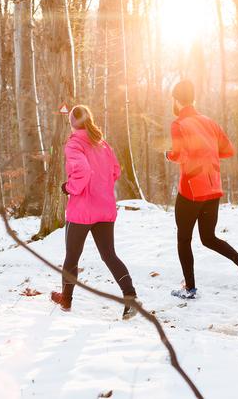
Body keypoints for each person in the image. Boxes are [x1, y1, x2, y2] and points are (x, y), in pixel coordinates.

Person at [165, 80, 238, 299]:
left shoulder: (179, 124)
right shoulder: (209, 122)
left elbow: (179, 155)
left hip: (190, 191)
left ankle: (189, 288)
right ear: (193, 99)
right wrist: (208, 154)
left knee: (184, 239)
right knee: (208, 238)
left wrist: (168, 155)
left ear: (177, 101)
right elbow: (228, 150)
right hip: (212, 188)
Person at [50, 105, 141, 319]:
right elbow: (115, 171)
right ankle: (131, 298)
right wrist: (101, 186)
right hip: (104, 207)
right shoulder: (102, 144)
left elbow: (82, 171)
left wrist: (69, 187)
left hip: (82, 210)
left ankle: (66, 299)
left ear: (72, 122)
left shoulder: (74, 144)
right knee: (109, 255)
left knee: (72, 256)